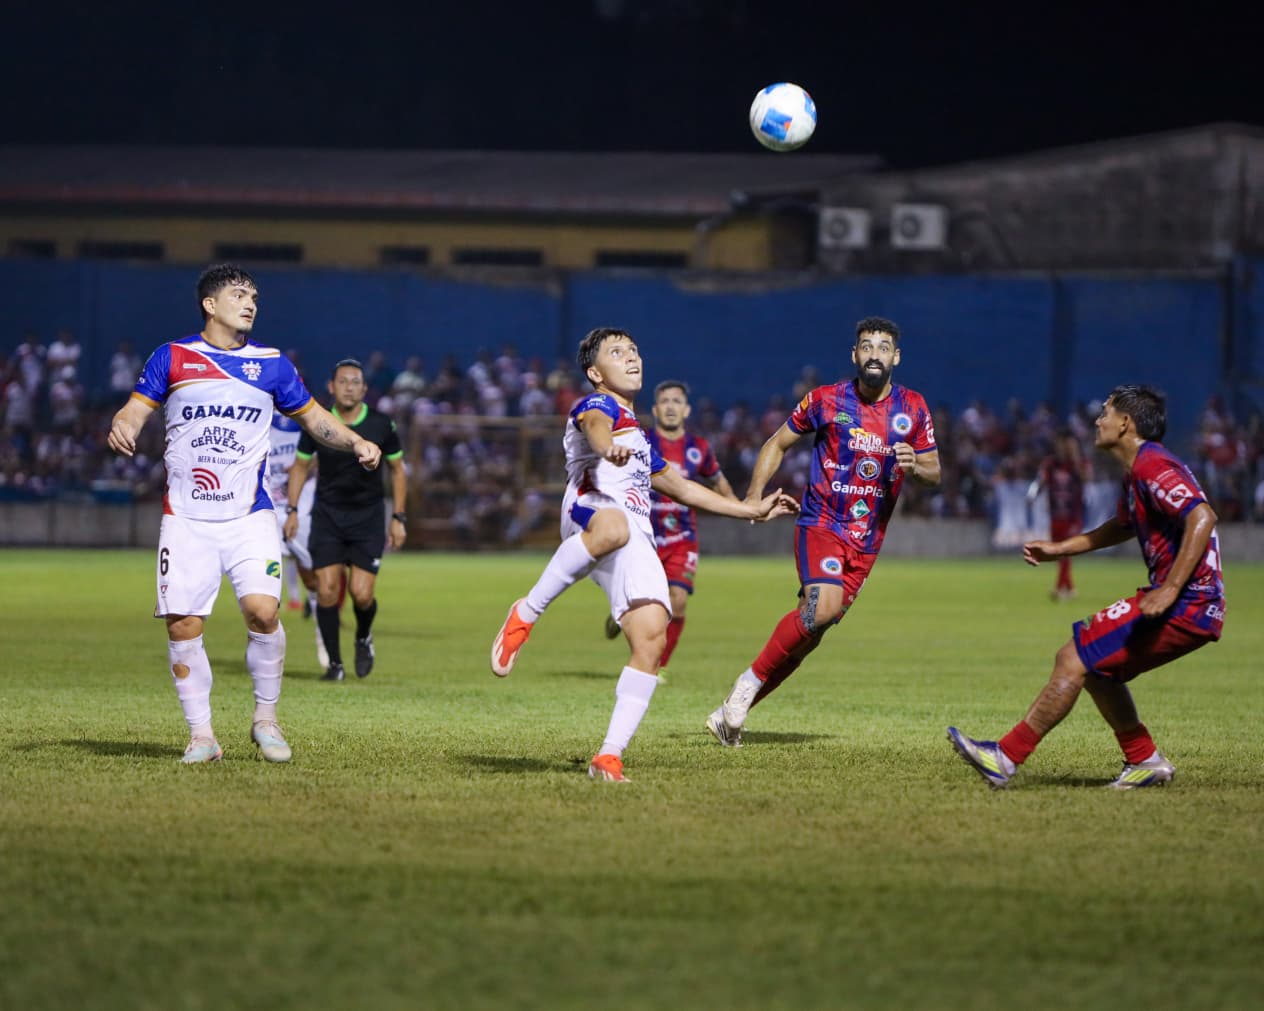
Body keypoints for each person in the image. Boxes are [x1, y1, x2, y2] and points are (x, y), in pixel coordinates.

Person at [489, 327, 798, 782]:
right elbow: (594, 427)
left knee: (653, 635)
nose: (632, 357)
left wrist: (747, 508)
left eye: (633, 350)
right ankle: (525, 613)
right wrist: (604, 446)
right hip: (590, 514)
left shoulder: (638, 436)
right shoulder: (600, 405)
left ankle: (608, 756)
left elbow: (679, 485)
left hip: (635, 537)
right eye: (618, 352)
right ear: (596, 372)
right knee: (612, 526)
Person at [106, 264, 382, 764]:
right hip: (186, 518)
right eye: (238, 294)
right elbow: (135, 409)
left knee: (263, 611)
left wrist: (357, 440)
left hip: (249, 515)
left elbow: (316, 419)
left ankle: (266, 720)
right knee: (183, 625)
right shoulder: (173, 357)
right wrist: (122, 423)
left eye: (253, 295)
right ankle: (202, 736)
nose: (250, 302)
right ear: (210, 305)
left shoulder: (272, 364)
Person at [948, 385, 1225, 790]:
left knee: (1072, 657)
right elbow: (1120, 526)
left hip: (1188, 602)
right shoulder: (1138, 472)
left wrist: (1168, 590)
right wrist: (1061, 549)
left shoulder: (1152, 465)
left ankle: (1004, 757)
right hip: (1193, 602)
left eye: (1106, 413)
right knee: (1099, 669)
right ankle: (1144, 759)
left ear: (1126, 423)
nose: (1098, 421)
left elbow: (1202, 517)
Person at [704, 316, 941, 748]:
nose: (875, 354)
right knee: (823, 609)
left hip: (867, 542)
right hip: (822, 524)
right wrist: (753, 498)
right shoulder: (826, 400)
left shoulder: (915, 408)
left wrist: (915, 465)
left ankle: (729, 715)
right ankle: (746, 683)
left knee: (810, 634)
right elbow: (776, 443)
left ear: (896, 357)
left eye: (883, 347)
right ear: (854, 355)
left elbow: (934, 471)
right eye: (866, 346)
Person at [602, 379, 737, 679]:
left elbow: (718, 481)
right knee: (638, 602)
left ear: (687, 410)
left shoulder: (698, 449)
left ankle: (655, 666)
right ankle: (621, 615)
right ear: (655, 409)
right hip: (644, 537)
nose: (671, 407)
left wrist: (739, 507)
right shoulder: (640, 441)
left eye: (677, 401)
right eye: (665, 401)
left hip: (682, 539)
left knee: (677, 602)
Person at [284, 358, 407, 682]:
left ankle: (363, 637)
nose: (349, 387)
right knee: (326, 590)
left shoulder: (382, 424)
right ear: (331, 387)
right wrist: (293, 510)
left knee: (361, 594)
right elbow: (299, 467)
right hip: (326, 515)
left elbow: (397, 471)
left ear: (364, 389)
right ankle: (335, 665)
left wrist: (398, 517)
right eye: (343, 381)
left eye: (355, 381)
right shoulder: (319, 423)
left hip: (367, 518)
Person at [1027, 428, 1088, 600]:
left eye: (1066, 444)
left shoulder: (1078, 463)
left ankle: (1059, 588)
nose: (1062, 447)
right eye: (1060, 443)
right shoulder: (1051, 464)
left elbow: (1087, 478)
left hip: (1073, 515)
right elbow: (1040, 481)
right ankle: (1069, 588)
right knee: (1058, 552)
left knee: (1066, 551)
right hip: (1055, 515)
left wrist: (1075, 458)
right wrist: (1032, 496)